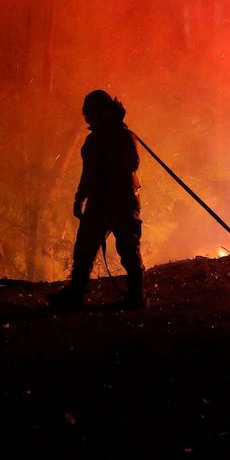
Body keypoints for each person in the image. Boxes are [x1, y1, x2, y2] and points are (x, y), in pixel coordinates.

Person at [50, 90, 147, 311]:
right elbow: (88, 173)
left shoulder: (124, 137)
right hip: (98, 202)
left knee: (128, 248)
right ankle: (75, 294)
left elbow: (132, 164)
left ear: (104, 113)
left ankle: (137, 295)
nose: (89, 121)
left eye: (92, 115)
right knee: (84, 249)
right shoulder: (93, 141)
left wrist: (109, 144)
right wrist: (79, 197)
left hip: (122, 201)